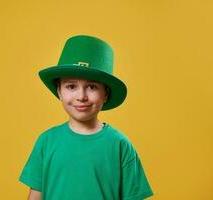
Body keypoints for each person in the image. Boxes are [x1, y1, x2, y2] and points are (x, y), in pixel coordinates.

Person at [18, 35, 154, 200]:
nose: (81, 96)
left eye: (92, 86)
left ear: (106, 94)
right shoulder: (46, 141)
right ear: (59, 91)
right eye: (71, 86)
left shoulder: (120, 145)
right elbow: (36, 196)